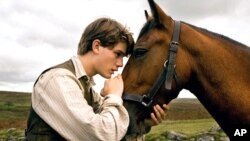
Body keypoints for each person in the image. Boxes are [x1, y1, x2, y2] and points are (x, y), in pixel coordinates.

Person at [25, 17, 169, 141]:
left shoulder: (87, 89)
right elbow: (103, 136)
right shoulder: (57, 80)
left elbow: (115, 130)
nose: (120, 64)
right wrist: (113, 96)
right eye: (117, 54)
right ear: (97, 46)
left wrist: (142, 124)